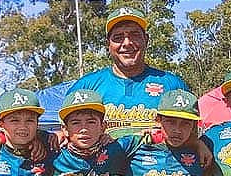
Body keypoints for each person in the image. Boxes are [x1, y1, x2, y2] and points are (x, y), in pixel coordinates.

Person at [68, 8, 187, 138]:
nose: (127, 43)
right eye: (118, 37)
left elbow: (191, 135)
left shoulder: (173, 85)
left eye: (134, 35)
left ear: (146, 40)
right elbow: (66, 135)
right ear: (108, 44)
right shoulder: (85, 86)